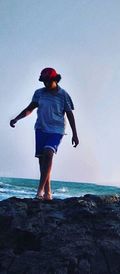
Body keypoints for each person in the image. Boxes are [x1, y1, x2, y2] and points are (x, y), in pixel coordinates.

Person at [10, 67, 79, 200]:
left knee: (48, 153)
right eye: (44, 81)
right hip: (41, 129)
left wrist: (75, 134)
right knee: (43, 161)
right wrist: (16, 118)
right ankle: (48, 193)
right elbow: (30, 109)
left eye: (47, 81)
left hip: (57, 130)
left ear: (55, 79)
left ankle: (39, 191)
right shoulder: (39, 93)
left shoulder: (63, 95)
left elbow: (70, 115)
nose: (45, 84)